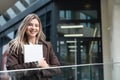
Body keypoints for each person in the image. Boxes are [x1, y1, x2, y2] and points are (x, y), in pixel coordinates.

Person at [6, 13, 61, 80]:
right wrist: (36, 64)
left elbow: (57, 69)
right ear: (24, 26)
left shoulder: (47, 46)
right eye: (30, 25)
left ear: (39, 28)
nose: (33, 28)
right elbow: (12, 70)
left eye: (36, 25)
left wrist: (45, 66)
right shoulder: (15, 45)